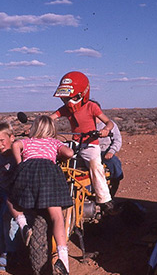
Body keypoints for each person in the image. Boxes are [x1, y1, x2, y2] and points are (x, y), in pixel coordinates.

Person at [10, 115, 74, 275]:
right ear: (52, 130)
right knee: (57, 217)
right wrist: (60, 152)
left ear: (34, 128)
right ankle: (63, 260)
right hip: (47, 175)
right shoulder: (54, 142)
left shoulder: (28, 142)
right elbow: (70, 153)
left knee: (13, 200)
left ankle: (23, 224)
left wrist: (20, 163)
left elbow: (16, 144)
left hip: (28, 172)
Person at [49, 71, 116, 214]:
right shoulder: (65, 109)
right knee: (54, 157)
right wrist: (36, 127)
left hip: (90, 143)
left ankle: (104, 200)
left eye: (69, 98)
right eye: (64, 99)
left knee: (94, 164)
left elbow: (108, 122)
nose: (67, 102)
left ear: (82, 94)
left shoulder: (92, 106)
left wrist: (105, 130)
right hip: (75, 143)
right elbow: (51, 118)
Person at [0, 122, 25, 273]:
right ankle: (6, 251)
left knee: (9, 218)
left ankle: (11, 252)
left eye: (2, 141)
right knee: (2, 219)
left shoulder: (20, 155)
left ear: (12, 137)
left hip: (18, 193)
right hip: (4, 194)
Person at [95, 114, 124, 197]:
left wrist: (111, 151)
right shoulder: (85, 125)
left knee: (114, 163)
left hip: (104, 151)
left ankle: (113, 188)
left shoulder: (109, 125)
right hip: (89, 151)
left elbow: (117, 140)